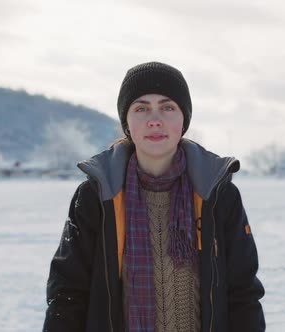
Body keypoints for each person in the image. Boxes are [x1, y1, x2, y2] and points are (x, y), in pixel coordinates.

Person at [43, 61, 265, 332]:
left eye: (168, 107)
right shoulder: (96, 195)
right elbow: (68, 293)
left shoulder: (218, 194)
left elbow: (243, 293)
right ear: (127, 122)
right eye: (141, 108)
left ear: (184, 119)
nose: (155, 119)